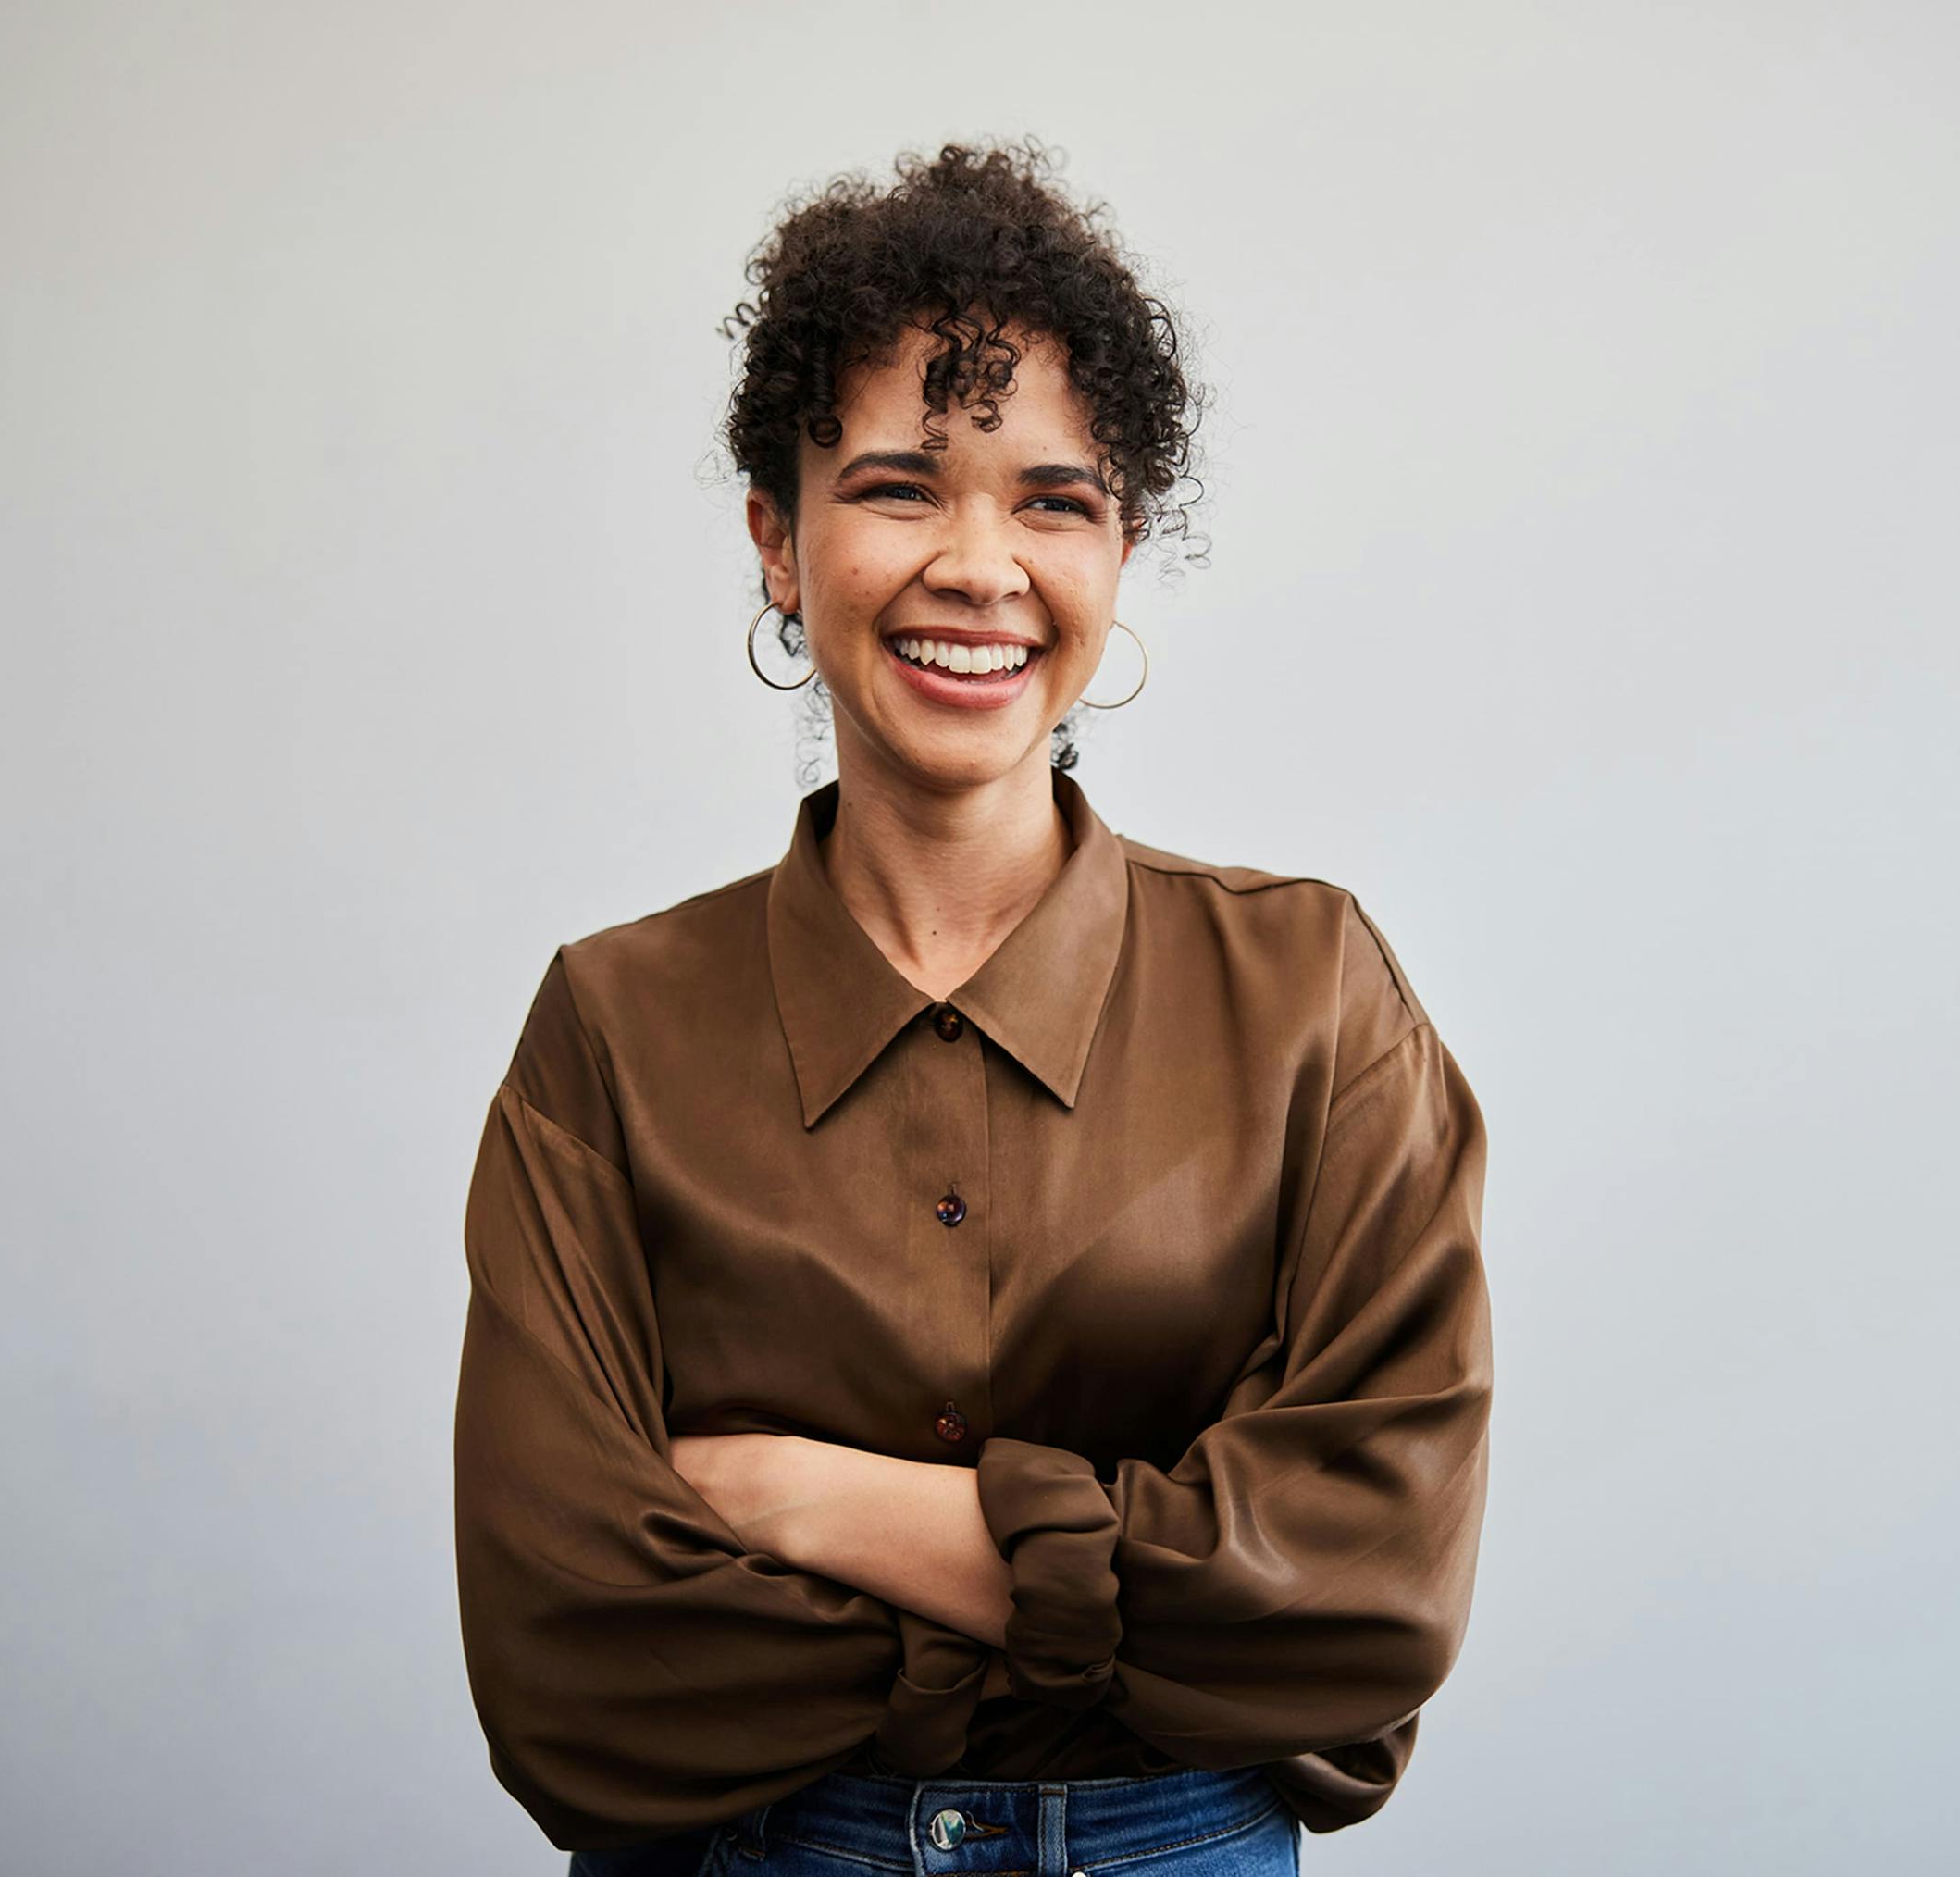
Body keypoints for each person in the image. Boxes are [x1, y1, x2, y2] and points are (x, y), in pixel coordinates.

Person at [453, 138, 1493, 1877]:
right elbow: (577, 1672)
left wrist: (827, 1509)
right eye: (897, 488)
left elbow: (1368, 1596)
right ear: (779, 541)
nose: (979, 565)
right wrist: (1154, 1597)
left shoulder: (1315, 996)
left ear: (1123, 544)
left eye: (1051, 499)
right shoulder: (609, 1031)